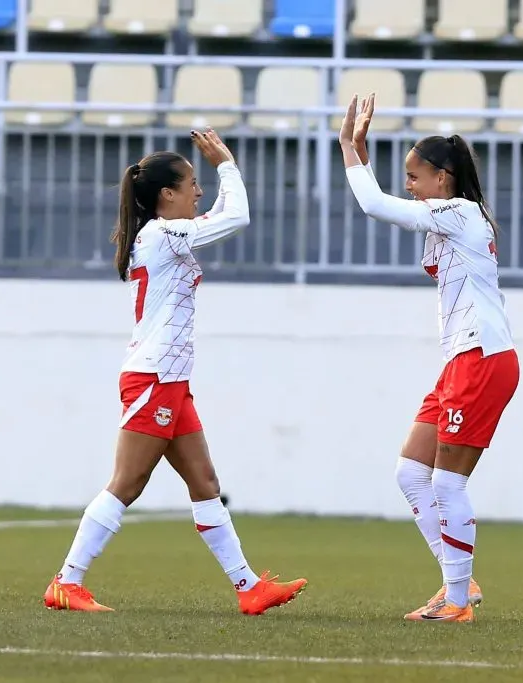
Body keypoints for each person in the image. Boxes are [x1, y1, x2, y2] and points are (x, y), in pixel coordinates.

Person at [44, 129, 308, 615]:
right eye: (191, 183)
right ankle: (67, 581)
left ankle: (249, 587)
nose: (198, 190)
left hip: (170, 379)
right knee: (127, 482)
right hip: (154, 377)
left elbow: (218, 217)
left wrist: (222, 173)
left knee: (205, 483)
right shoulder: (164, 234)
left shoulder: (163, 234)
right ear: (167, 195)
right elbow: (237, 217)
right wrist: (226, 163)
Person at [338, 94, 520, 623]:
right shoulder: (452, 218)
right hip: (461, 361)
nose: (410, 188)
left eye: (415, 178)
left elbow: (375, 205)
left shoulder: (459, 212)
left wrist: (351, 151)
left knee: (447, 482)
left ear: (443, 179)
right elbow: (385, 202)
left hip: (482, 357)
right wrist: (359, 156)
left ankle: (459, 603)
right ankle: (457, 581)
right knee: (411, 473)